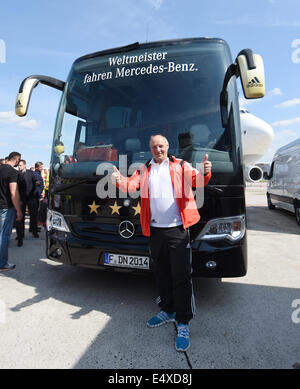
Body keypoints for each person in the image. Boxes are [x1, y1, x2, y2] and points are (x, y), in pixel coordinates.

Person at [111, 134, 212, 352]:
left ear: (167, 147)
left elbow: (200, 181)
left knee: (181, 276)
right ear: (150, 149)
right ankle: (167, 310)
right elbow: (130, 185)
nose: (158, 149)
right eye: (154, 147)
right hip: (155, 231)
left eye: (161, 146)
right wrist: (120, 180)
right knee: (162, 273)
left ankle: (183, 322)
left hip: (177, 230)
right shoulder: (144, 169)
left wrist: (205, 170)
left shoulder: (181, 165)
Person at [0, 152, 22, 272]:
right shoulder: (13, 172)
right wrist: (19, 210)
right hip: (6, 207)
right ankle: (2, 263)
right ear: (17, 160)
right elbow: (14, 193)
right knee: (4, 236)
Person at [15, 160, 38, 246]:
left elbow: (36, 181)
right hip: (21, 199)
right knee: (21, 217)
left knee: (33, 215)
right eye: (18, 166)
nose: (19, 167)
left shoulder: (30, 173)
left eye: (20, 165)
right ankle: (20, 235)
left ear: (25, 165)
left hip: (31, 197)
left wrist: (35, 190)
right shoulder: (17, 174)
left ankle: (34, 232)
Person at [31, 162, 44, 237]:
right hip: (35, 197)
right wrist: (40, 196)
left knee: (34, 213)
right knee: (34, 214)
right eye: (40, 167)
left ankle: (33, 228)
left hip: (36, 196)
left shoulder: (37, 174)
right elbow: (37, 188)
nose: (42, 169)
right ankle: (34, 231)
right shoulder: (36, 175)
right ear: (37, 167)